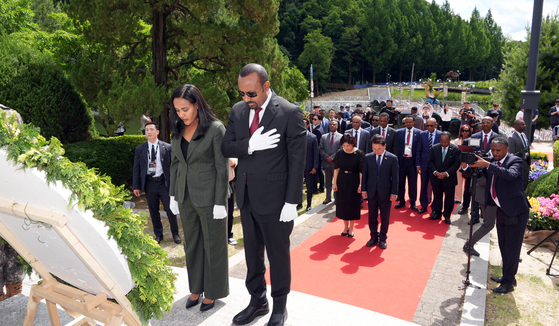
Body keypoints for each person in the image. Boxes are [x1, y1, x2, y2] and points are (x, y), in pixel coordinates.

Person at [221, 63, 306, 326]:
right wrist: (249, 145)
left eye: (252, 94)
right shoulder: (238, 111)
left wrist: (292, 200)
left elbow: (297, 161)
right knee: (252, 254)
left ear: (266, 86)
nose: (246, 99)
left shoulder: (289, 113)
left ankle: (279, 306)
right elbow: (226, 147)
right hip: (246, 196)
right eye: (242, 94)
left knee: (278, 254)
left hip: (277, 200)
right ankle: (257, 300)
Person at [168, 84, 229, 311]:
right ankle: (196, 287)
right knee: (192, 245)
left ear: (196, 104)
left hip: (210, 197)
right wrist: (173, 194)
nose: (181, 114)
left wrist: (220, 202)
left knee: (214, 246)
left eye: (185, 109)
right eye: (177, 110)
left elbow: (222, 168)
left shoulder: (215, 129)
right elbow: (175, 164)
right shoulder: (177, 129)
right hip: (184, 196)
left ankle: (213, 292)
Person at [469, 136, 530, 293]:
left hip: (516, 211)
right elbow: (481, 172)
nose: (495, 153)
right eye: (493, 150)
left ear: (507, 150)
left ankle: (508, 283)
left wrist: (488, 164)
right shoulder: (492, 161)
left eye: (498, 150)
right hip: (501, 209)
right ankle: (507, 276)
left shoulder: (515, 161)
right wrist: (468, 166)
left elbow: (509, 174)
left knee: (512, 248)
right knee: (503, 245)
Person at [132, 122, 180, 244]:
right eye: (146, 130)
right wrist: (136, 186)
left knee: (170, 209)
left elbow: (173, 166)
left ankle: (175, 233)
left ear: (157, 132)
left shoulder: (167, 147)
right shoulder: (140, 149)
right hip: (149, 183)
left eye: (151, 129)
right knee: (153, 211)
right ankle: (158, 234)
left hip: (164, 183)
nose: (149, 132)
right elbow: (136, 168)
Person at [362, 135, 399, 249]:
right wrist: (364, 190)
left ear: (385, 146)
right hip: (372, 192)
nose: (376, 151)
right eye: (374, 148)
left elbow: (395, 177)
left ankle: (383, 238)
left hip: (386, 193)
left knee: (385, 217)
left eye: (379, 149)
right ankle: (373, 236)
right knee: (372, 216)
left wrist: (394, 193)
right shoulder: (368, 157)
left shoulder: (392, 158)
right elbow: (365, 175)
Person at [332, 134, 364, 238]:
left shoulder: (359, 153)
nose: (346, 147)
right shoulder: (340, 152)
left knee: (353, 204)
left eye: (348, 145)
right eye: (344, 145)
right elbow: (336, 169)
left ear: (353, 144)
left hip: (354, 180)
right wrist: (335, 183)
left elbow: (361, 171)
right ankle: (345, 227)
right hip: (342, 180)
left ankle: (351, 227)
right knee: (343, 204)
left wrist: (360, 184)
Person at [428, 132, 461, 224]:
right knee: (437, 196)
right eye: (442, 142)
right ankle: (437, 213)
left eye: (446, 142)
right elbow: (430, 161)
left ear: (450, 140)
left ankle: (447, 215)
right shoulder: (435, 148)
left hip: (449, 179)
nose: (444, 144)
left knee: (449, 198)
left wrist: (446, 173)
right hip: (437, 178)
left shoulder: (455, 149)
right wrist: (435, 172)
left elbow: (456, 164)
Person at [416, 118, 441, 214]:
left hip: (436, 166)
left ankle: (435, 207)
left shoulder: (441, 135)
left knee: (436, 187)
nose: (429, 127)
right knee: (423, 186)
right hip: (424, 165)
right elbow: (419, 150)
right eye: (428, 125)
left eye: (431, 125)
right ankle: (423, 205)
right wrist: (418, 165)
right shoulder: (422, 135)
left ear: (436, 125)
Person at [396, 116, 421, 211]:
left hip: (412, 162)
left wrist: (418, 164)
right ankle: (401, 201)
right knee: (401, 183)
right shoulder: (399, 133)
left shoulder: (419, 133)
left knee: (413, 183)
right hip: (402, 161)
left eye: (410, 122)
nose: (408, 124)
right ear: (404, 123)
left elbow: (419, 149)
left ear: (414, 122)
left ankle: (413, 202)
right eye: (407, 122)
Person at [320, 120, 343, 205]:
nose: (332, 126)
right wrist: (326, 157)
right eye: (330, 124)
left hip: (336, 163)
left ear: (337, 126)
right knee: (328, 181)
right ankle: (328, 197)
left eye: (334, 124)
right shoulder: (323, 137)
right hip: (327, 163)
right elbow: (321, 149)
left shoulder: (341, 136)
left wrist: (332, 157)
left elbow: (341, 149)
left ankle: (336, 197)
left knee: (337, 181)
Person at [508, 120, 530, 189]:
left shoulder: (523, 135)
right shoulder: (512, 137)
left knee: (525, 181)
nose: (525, 126)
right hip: (518, 164)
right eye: (522, 124)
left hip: (525, 162)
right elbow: (511, 153)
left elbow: (527, 149)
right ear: (516, 126)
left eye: (524, 124)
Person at [454, 125, 472, 204]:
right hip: (458, 163)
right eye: (463, 130)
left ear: (469, 132)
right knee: (458, 182)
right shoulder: (456, 141)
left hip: (469, 164)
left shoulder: (472, 140)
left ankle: (467, 201)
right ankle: (458, 198)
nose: (465, 132)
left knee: (468, 184)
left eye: (467, 130)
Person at [304, 119, 319, 211]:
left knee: (309, 186)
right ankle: (299, 204)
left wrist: (315, 166)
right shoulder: (296, 136)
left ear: (308, 126)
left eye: (303, 123)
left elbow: (316, 153)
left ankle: (308, 204)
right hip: (298, 167)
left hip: (309, 166)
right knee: (298, 187)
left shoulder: (313, 137)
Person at [307, 117, 324, 194]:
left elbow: (315, 144)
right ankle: (321, 187)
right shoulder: (320, 128)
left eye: (315, 119)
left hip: (317, 153)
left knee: (317, 171)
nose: (313, 120)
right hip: (319, 153)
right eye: (313, 119)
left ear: (320, 121)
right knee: (320, 171)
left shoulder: (317, 130)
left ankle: (315, 188)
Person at [227, 157, 239, 245]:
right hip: (213, 182)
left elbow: (234, 161)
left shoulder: (227, 143)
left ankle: (229, 236)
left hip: (228, 180)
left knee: (229, 211)